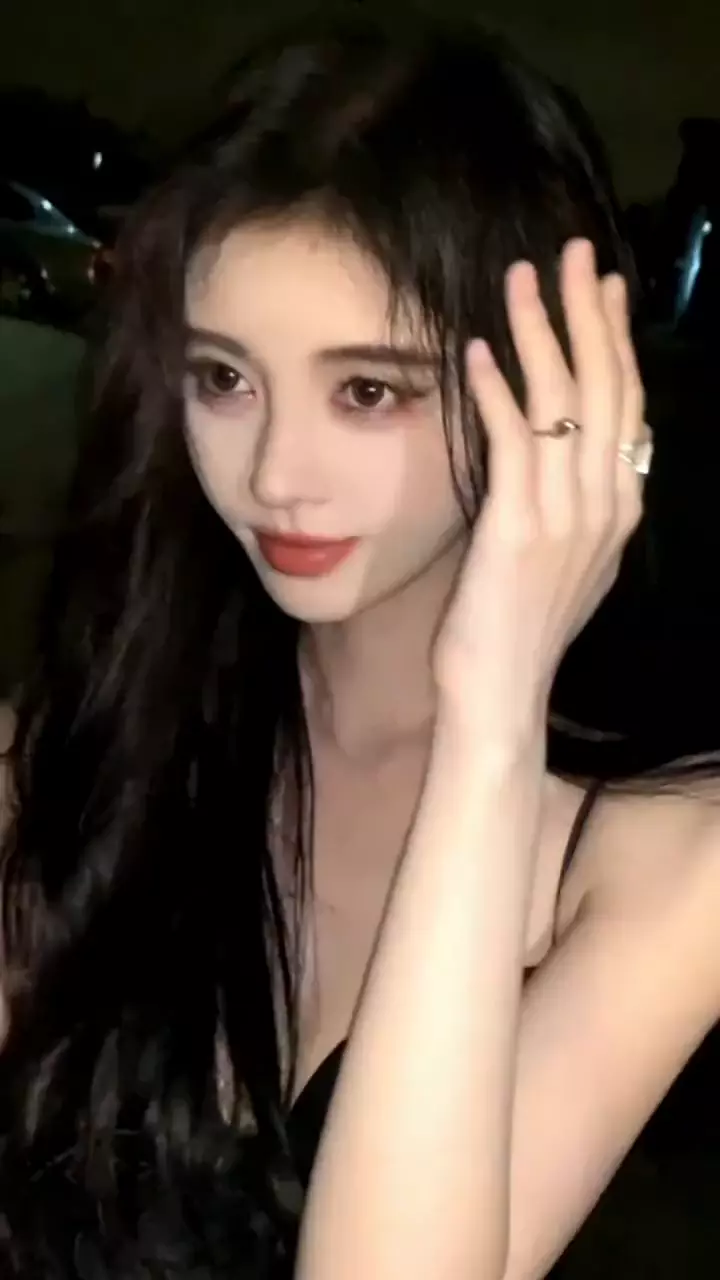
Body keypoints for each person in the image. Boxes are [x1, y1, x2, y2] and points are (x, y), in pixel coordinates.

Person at [1, 15, 720, 1280]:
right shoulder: (88, 736)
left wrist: (493, 714)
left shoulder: (671, 851)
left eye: (369, 390)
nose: (277, 473)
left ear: (556, 396)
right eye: (224, 379)